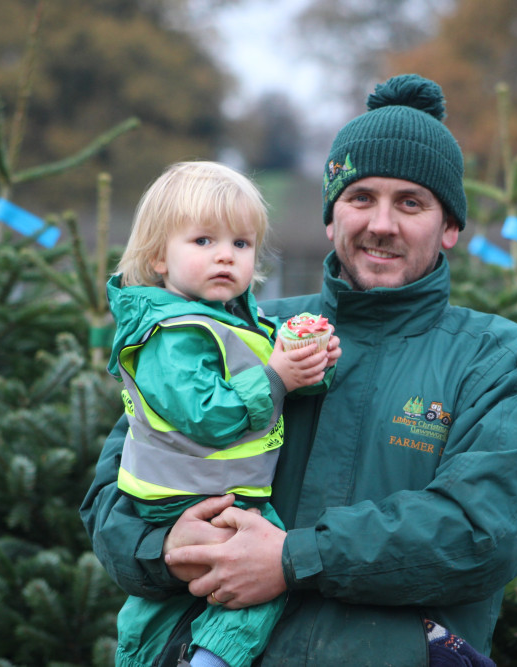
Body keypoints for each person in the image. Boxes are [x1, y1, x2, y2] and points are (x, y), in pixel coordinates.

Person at [82, 74, 517, 666]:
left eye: (411, 202)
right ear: (332, 218)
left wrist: (291, 559)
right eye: (361, 198)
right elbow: (113, 496)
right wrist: (163, 545)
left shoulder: (499, 359)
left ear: (450, 227)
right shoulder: (241, 336)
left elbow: (482, 532)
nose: (381, 223)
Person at [102, 160, 341, 667]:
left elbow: (267, 386)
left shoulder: (230, 321)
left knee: (163, 602)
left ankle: (137, 655)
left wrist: (308, 367)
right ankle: (212, 661)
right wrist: (278, 377)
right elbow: (207, 415)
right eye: (204, 241)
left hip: (208, 489)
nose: (225, 257)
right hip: (186, 494)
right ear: (158, 258)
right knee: (266, 571)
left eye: (240, 244)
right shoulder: (170, 334)